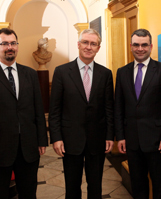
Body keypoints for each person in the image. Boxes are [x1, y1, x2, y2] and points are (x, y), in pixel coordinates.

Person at [0, 28, 48, 198]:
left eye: (13, 43)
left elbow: (38, 109)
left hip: (28, 150)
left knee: (29, 194)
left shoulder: (30, 74)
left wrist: (42, 139)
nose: (10, 47)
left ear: (17, 46)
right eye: (4, 43)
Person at [49, 29, 114, 198]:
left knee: (95, 187)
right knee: (72, 187)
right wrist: (56, 137)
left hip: (97, 140)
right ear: (78, 45)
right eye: (85, 42)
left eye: (93, 44)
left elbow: (109, 108)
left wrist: (109, 136)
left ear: (98, 48)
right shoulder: (61, 72)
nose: (88, 47)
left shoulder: (105, 74)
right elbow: (54, 109)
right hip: (70, 140)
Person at [115, 28, 161, 199]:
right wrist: (120, 136)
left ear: (151, 46)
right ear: (131, 46)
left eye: (144, 45)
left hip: (157, 141)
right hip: (132, 140)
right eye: (136, 45)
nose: (140, 48)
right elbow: (118, 107)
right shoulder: (122, 72)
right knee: (138, 185)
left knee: (160, 186)